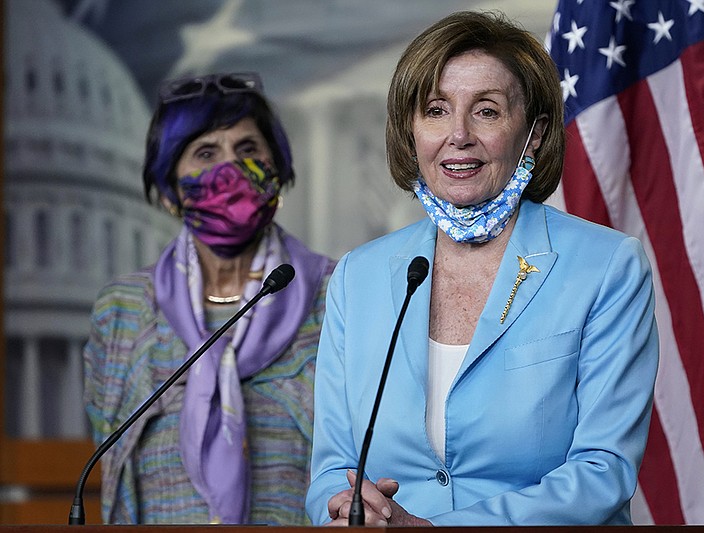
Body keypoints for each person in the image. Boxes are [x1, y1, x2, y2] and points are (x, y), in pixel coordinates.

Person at [305, 11, 658, 526]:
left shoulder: (607, 267)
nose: (458, 135)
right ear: (412, 132)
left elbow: (604, 471)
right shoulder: (358, 277)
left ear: (533, 134)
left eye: (487, 112)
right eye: (435, 111)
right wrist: (345, 508)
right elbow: (330, 472)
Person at [83, 72, 336, 524]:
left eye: (248, 149)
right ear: (168, 193)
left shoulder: (336, 294)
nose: (231, 170)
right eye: (205, 153)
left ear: (277, 172)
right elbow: (110, 456)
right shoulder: (122, 310)